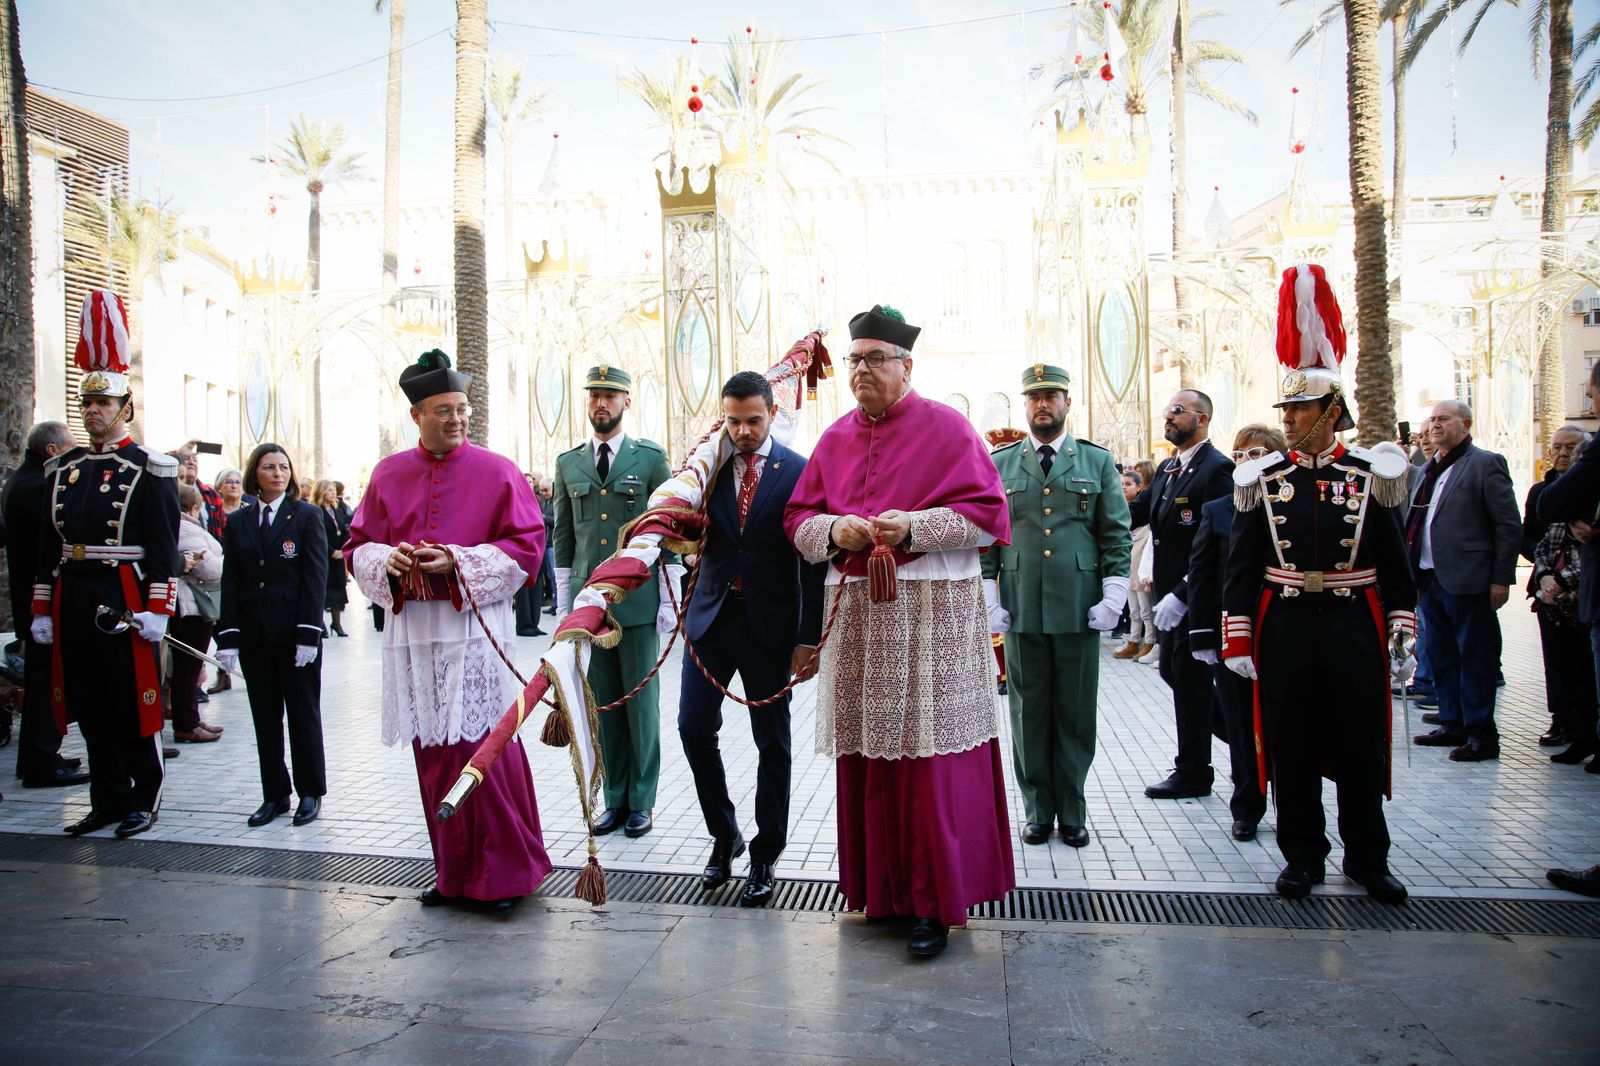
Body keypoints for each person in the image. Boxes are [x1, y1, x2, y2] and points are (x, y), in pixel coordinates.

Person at [784, 303, 1014, 958]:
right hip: (860, 616)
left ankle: (934, 903)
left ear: (906, 366)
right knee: (871, 760)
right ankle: (882, 892)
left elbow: (988, 515)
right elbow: (800, 519)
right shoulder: (833, 438)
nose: (861, 371)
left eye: (874, 359)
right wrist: (835, 531)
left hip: (931, 617)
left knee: (931, 763)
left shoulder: (949, 427)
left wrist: (912, 526)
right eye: (855, 360)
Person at [1223, 263, 1415, 904]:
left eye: (1301, 407)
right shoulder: (1262, 478)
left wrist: (1400, 626)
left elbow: (1394, 562)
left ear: (1330, 411)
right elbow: (1241, 568)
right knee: (1292, 743)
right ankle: (1302, 855)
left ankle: (1368, 857)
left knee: (1360, 744)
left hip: (1351, 617)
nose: (1291, 416)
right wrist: (1239, 638)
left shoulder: (1368, 474)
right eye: (1289, 407)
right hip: (1286, 621)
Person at [346, 349, 551, 910]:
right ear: (417, 416)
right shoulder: (388, 473)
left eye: (461, 409)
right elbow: (357, 546)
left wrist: (458, 562)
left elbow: (528, 548)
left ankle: (506, 876)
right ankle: (453, 873)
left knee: (483, 747)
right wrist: (385, 559)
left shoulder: (499, 470)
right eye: (443, 411)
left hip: (473, 628)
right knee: (433, 749)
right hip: (413, 632)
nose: (456, 419)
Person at [31, 290, 180, 838]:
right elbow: (51, 548)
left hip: (125, 593)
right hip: (75, 591)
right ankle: (108, 798)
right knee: (90, 704)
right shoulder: (62, 468)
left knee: (132, 703)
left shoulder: (151, 469)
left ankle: (145, 797)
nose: (93, 411)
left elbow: (163, 549)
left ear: (125, 408)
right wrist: (41, 609)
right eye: (86, 403)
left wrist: (158, 609)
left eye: (104, 403)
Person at [679, 371, 825, 905]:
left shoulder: (801, 472)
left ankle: (766, 854)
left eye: (753, 421)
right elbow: (683, 529)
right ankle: (725, 836)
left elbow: (812, 561)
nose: (742, 431)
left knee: (773, 743)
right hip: (710, 621)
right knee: (693, 728)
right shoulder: (706, 468)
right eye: (734, 421)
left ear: (772, 415)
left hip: (771, 626)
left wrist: (808, 639)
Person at [983, 363, 1130, 848]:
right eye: (1034, 397)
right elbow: (988, 539)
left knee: (1074, 712)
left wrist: (1114, 592)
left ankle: (1072, 808)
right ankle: (1037, 809)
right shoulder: (1001, 463)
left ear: (1068, 403)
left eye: (1051, 396)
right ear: (1025, 405)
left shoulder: (1096, 462)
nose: (1042, 404)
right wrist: (989, 595)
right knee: (1028, 714)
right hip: (1022, 607)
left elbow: (1114, 534)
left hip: (1079, 606)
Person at [552, 365, 678, 839]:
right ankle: (615, 799)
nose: (600, 404)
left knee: (641, 704)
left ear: (627, 402)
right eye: (594, 396)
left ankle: (642, 800)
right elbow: (564, 541)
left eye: (609, 396)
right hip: (591, 607)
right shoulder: (569, 463)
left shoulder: (649, 459)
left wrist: (669, 597)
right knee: (603, 704)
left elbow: (669, 528)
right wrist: (568, 606)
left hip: (638, 603)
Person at [1126, 390, 1234, 799]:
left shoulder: (1217, 469)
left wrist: (1185, 593)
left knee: (1189, 679)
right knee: (1176, 674)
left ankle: (1202, 766)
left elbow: (1221, 542)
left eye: (1177, 411)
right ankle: (1236, 746)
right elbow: (1138, 513)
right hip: (1169, 597)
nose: (1167, 417)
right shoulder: (1172, 467)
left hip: (1198, 599)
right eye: (1167, 410)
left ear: (1202, 418)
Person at [215, 445, 328, 826]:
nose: (278, 473)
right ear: (255, 474)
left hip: (295, 634)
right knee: (265, 717)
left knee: (302, 715)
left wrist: (309, 633)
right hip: (255, 634)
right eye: (268, 467)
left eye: (283, 467)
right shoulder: (239, 521)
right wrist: (228, 635)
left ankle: (310, 792)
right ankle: (274, 794)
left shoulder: (306, 516)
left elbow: (315, 578)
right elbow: (231, 581)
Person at [1185, 423, 1285, 842]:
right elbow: (1203, 573)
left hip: (1284, 630)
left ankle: (1290, 802)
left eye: (1257, 453)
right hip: (1234, 632)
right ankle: (1247, 802)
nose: (1246, 461)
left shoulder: (1292, 505)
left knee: (1286, 724)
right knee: (1241, 723)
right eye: (1240, 454)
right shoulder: (1220, 509)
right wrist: (1205, 636)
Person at [1407, 400, 1520, 762]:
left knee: (1475, 658)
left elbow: (1507, 524)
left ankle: (1481, 735)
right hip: (1430, 577)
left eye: (1444, 419)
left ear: (1466, 424)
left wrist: (1501, 578)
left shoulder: (1485, 464)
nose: (1436, 426)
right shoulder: (1427, 470)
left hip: (1469, 579)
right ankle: (1452, 723)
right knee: (1441, 655)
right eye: (1433, 421)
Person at [3, 421, 88, 787]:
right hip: (39, 597)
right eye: (71, 445)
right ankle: (39, 761)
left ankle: (42, 754)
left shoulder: (26, 480)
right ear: (53, 451)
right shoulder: (36, 486)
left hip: (36, 595)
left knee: (48, 677)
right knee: (42, 680)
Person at [1521, 426, 1596, 760]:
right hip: (1548, 593)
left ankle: (1587, 732)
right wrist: (1545, 576)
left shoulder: (1588, 488)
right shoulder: (1542, 492)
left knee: (1586, 667)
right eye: (1556, 447)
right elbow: (1530, 539)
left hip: (1583, 592)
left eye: (1572, 447)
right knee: (1558, 663)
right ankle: (1563, 721)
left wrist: (1563, 579)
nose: (1563, 454)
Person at [170, 484, 224, 743]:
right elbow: (209, 568)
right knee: (188, 667)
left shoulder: (183, 525)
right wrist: (229, 562)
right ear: (195, 506)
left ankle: (191, 717)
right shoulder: (185, 528)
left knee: (190, 666)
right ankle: (186, 723)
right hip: (190, 604)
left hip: (193, 602)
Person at [1114, 468, 1154, 660]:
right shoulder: (1123, 512)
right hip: (1129, 574)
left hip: (1142, 575)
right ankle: (1133, 640)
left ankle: (1150, 642)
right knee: (1134, 612)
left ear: (1140, 487)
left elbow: (1149, 553)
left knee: (1146, 611)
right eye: (1121, 485)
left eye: (1128, 484)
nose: (1124, 488)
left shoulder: (1146, 523)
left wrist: (1148, 574)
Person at [313, 479, 351, 637]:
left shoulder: (337, 511)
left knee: (338, 590)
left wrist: (342, 549)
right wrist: (330, 551)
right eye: (329, 490)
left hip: (337, 557)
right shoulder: (316, 511)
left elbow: (344, 531)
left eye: (334, 489)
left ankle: (336, 623)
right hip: (324, 556)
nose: (333, 492)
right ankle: (319, 624)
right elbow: (317, 535)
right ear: (321, 492)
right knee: (322, 590)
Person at [173, 442, 227, 537]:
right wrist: (178, 453)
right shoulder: (171, 491)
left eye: (195, 459)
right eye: (186, 458)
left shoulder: (211, 494)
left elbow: (223, 528)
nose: (191, 462)